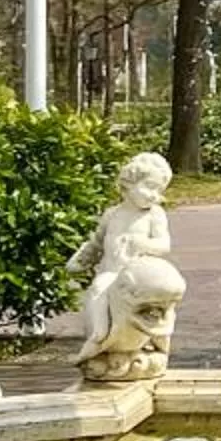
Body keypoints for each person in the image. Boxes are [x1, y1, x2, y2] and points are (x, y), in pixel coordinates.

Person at [70, 153, 175, 369]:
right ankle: (98, 333)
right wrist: (81, 260)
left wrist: (140, 243)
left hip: (139, 275)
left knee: (161, 295)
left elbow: (164, 245)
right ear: (129, 182)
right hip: (113, 273)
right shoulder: (112, 214)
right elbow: (96, 243)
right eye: (150, 187)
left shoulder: (154, 215)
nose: (154, 196)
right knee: (99, 288)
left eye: (159, 191)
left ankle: (160, 338)